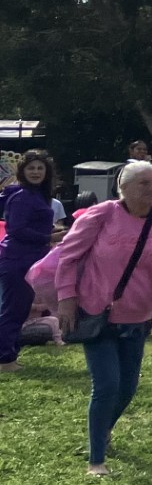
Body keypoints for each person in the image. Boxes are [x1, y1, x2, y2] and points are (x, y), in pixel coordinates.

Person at [53, 162, 152, 474]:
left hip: (137, 316)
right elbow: (69, 256)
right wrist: (67, 299)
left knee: (127, 388)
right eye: (143, 183)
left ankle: (101, 430)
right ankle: (96, 459)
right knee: (107, 386)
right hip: (97, 312)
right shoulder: (102, 215)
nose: (151, 188)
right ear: (122, 188)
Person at [0, 150, 64, 371]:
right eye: (31, 168)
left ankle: (10, 355)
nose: (36, 172)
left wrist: (55, 231)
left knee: (20, 308)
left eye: (40, 168)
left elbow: (31, 225)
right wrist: (49, 237)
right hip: (17, 260)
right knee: (13, 309)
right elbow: (16, 229)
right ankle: (4, 360)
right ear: (22, 171)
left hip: (30, 260)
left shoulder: (36, 194)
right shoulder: (22, 196)